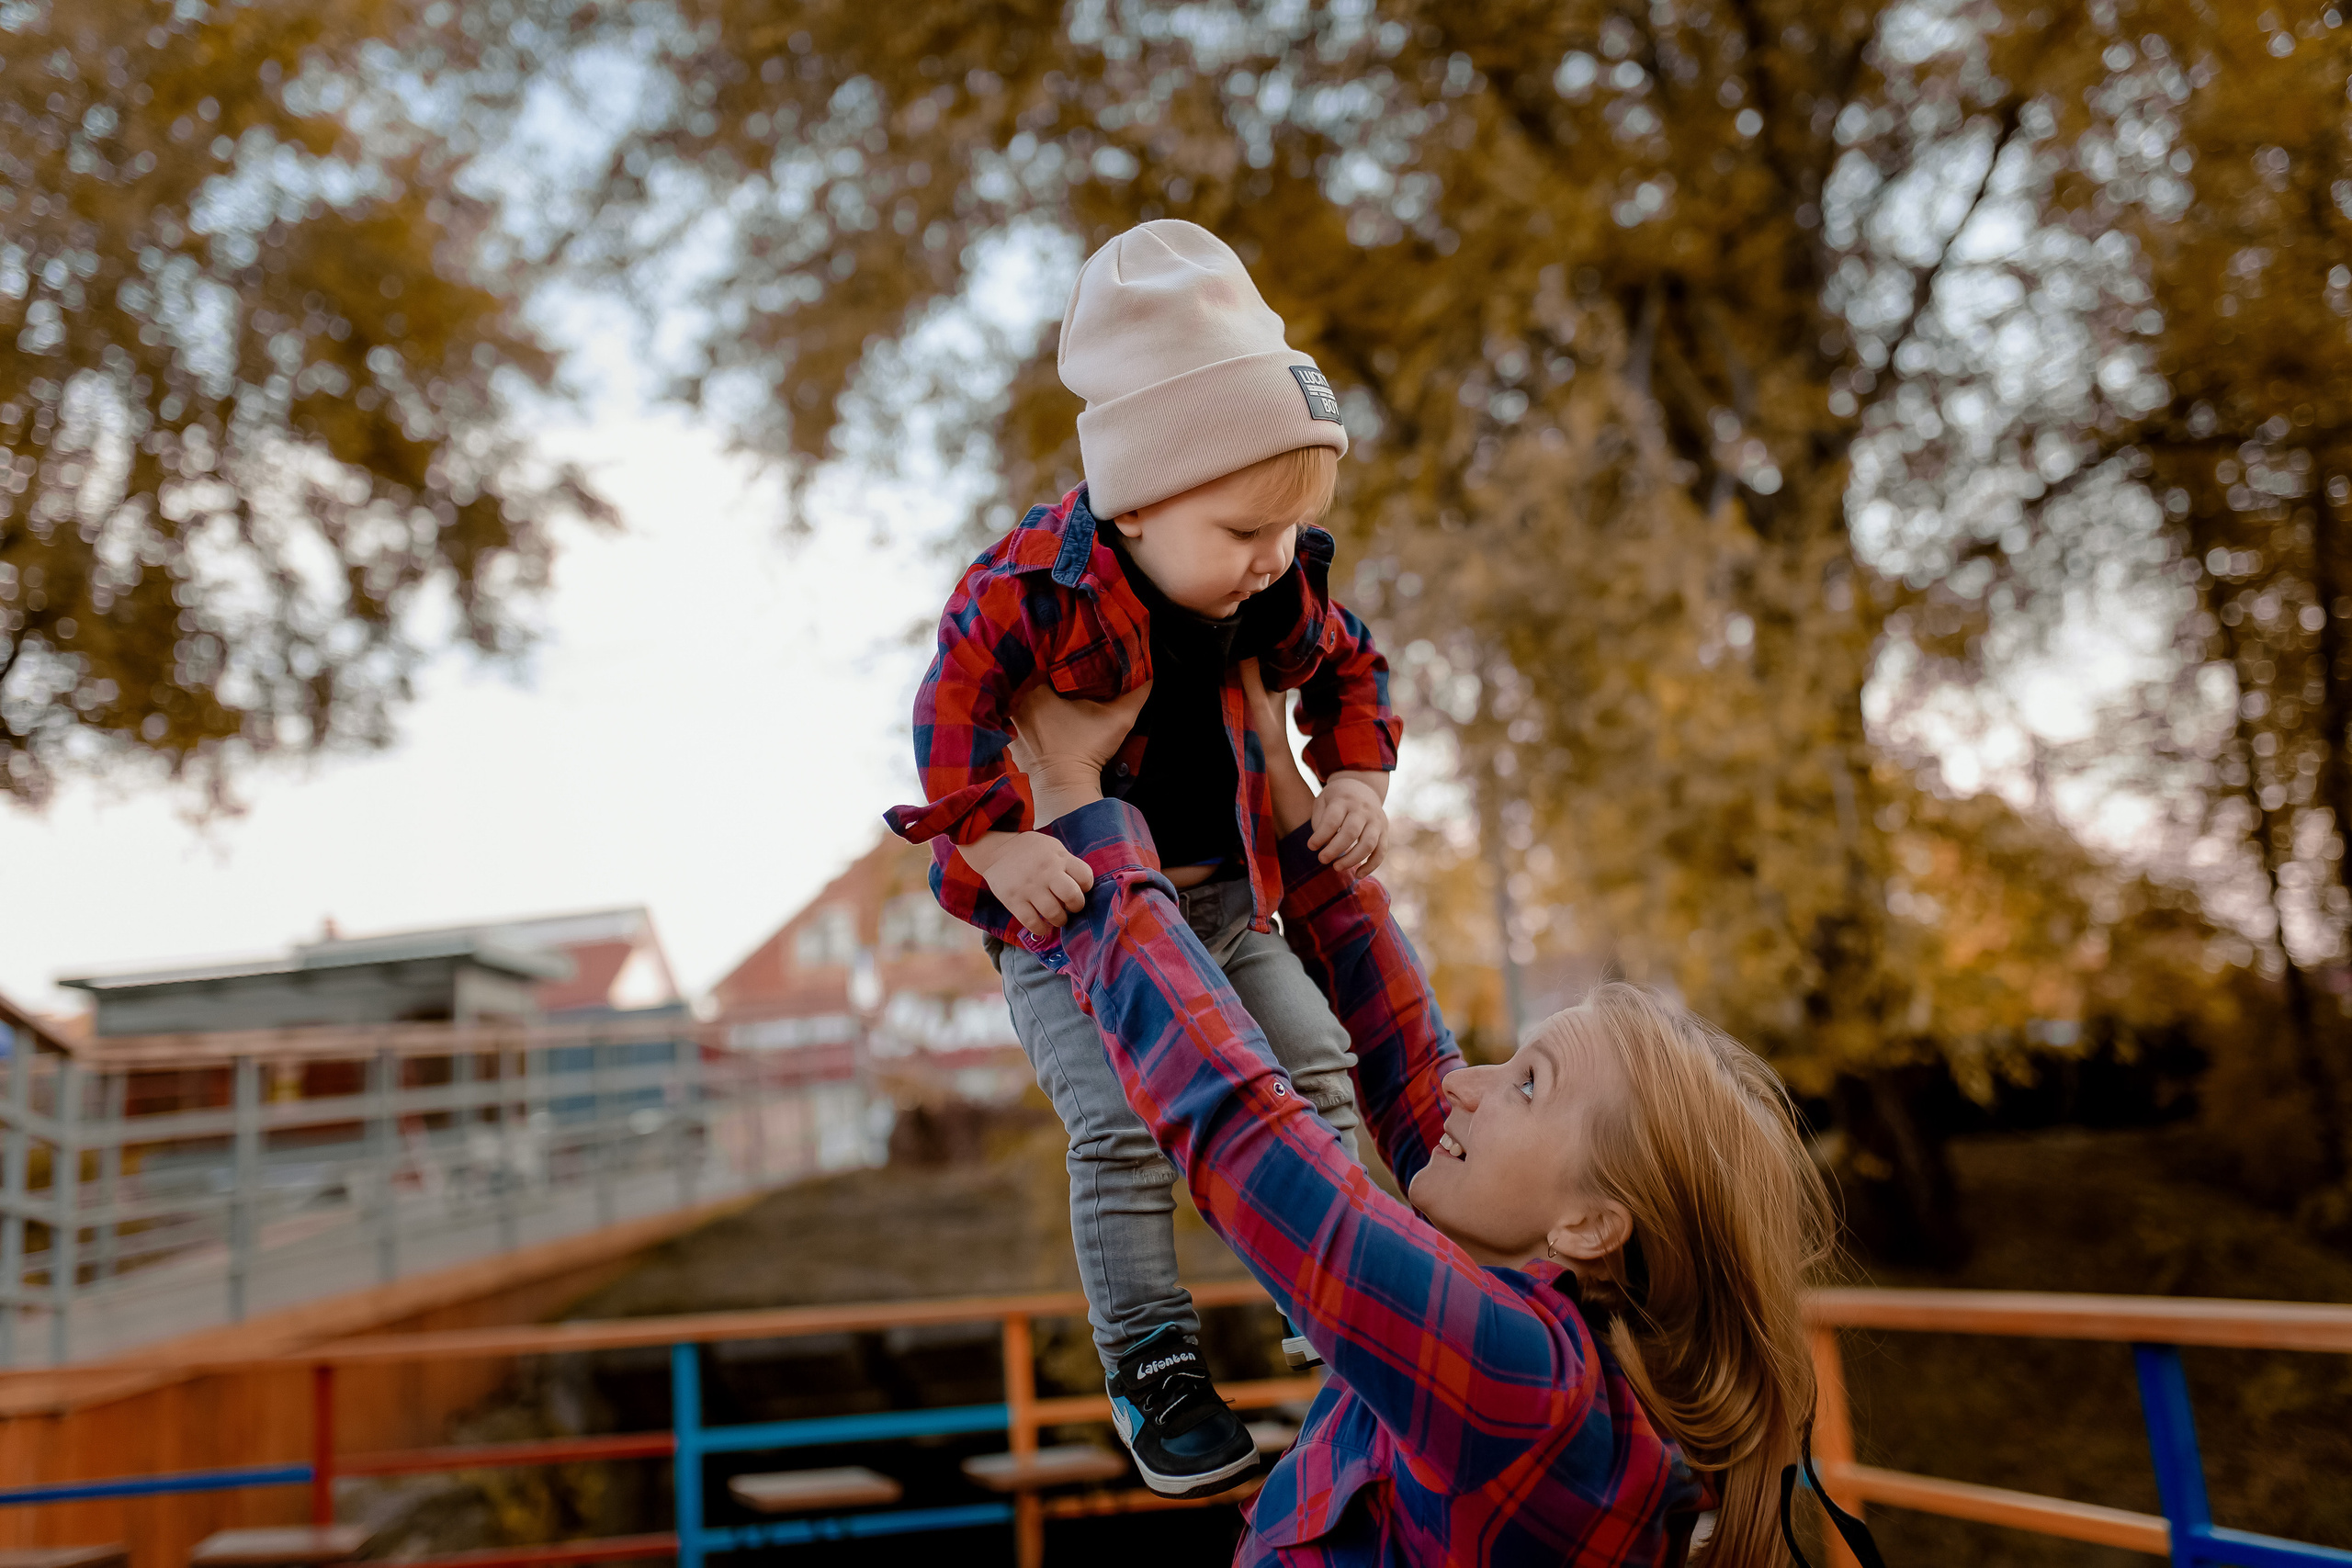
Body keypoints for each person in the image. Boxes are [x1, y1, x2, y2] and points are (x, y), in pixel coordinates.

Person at [994, 666, 1838, 1567]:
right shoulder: (1533, 1318)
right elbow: (1408, 1058)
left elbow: (1250, 1141)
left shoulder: (1524, 1388)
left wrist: (1074, 802)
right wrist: (1282, 770)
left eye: (1528, 1085)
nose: (1468, 1086)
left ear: (1591, 1225)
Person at [884, 220, 1408, 1498]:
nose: (1272, 555)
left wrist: (1355, 773)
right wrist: (997, 844)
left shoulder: (1270, 581)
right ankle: (1152, 1361)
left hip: (1223, 905)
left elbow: (1353, 663)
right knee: (1119, 1124)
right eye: (1244, 528)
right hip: (1070, 932)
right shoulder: (1029, 589)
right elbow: (947, 720)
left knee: (1318, 1061)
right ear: (1138, 496)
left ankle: (1336, 1296)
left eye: (1292, 527)